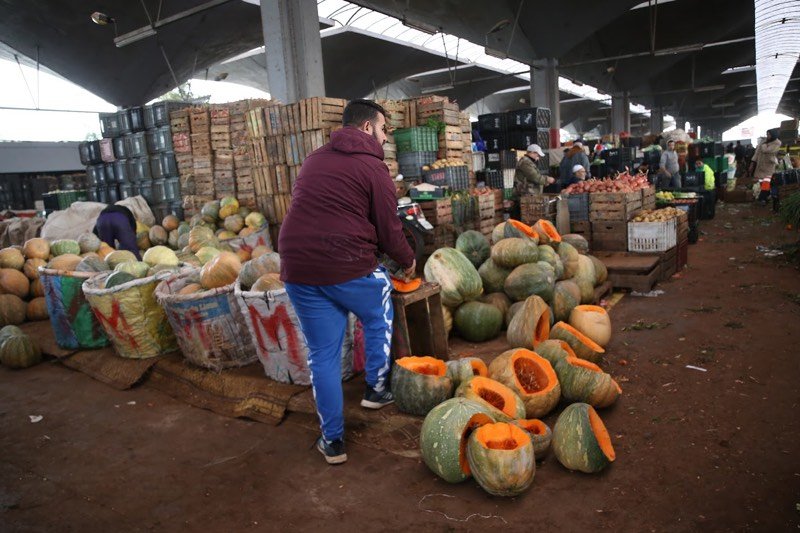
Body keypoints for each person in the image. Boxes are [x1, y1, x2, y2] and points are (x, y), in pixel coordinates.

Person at [278, 99, 415, 465]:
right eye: (385, 129)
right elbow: (389, 228)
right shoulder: (374, 167)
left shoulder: (314, 158)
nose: (386, 138)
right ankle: (376, 388)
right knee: (379, 302)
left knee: (322, 354)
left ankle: (333, 442)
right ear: (368, 128)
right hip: (345, 261)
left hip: (297, 265)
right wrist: (407, 259)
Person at [749, 129, 782, 205]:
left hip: (769, 166)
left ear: (773, 135)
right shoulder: (764, 141)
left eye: (769, 134)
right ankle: (766, 196)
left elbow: (766, 150)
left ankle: (762, 198)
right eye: (767, 134)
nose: (768, 136)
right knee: (761, 182)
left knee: (766, 182)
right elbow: (757, 153)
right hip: (760, 166)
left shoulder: (777, 143)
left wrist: (764, 144)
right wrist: (752, 163)